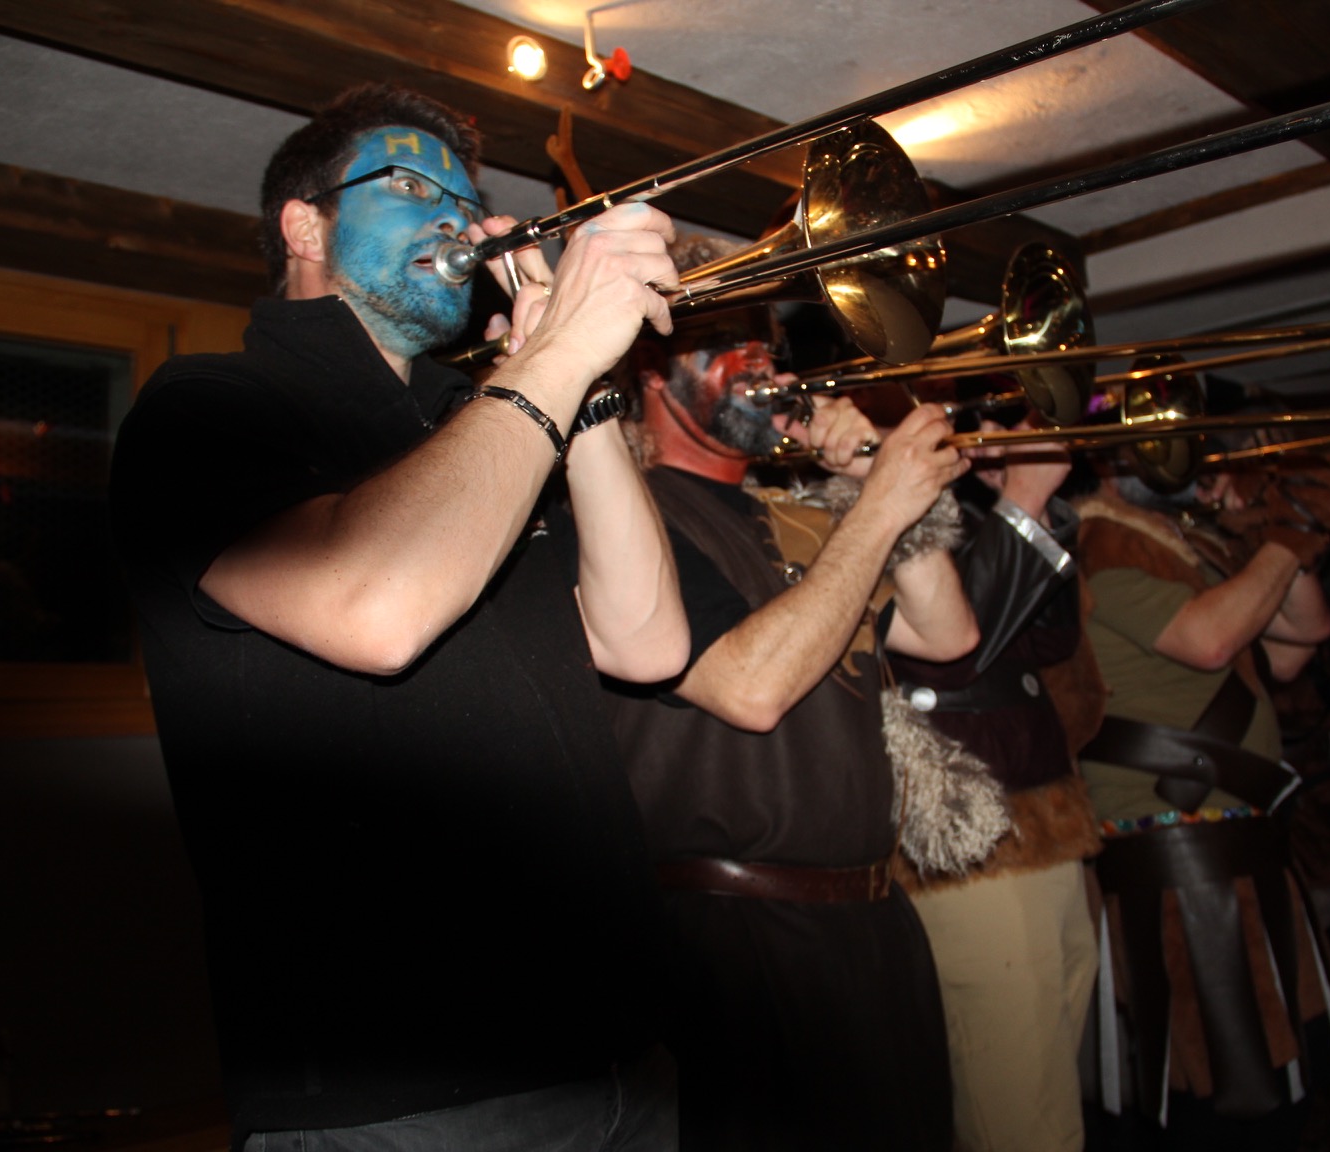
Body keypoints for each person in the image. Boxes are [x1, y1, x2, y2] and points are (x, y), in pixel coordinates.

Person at [109, 83, 690, 1151]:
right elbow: (377, 610)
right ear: (305, 226)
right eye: (414, 187)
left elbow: (645, 641)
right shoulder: (205, 408)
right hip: (402, 1091)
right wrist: (555, 359)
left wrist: (585, 389)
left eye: (465, 200)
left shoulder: (485, 416)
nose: (456, 218)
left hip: (620, 1051)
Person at [605, 282, 977, 1152]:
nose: (766, 369)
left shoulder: (798, 514)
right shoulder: (628, 516)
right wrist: (879, 508)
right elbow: (749, 689)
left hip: (869, 924)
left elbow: (947, 633)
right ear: (652, 370)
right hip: (731, 942)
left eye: (770, 351)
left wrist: (865, 487)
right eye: (731, 348)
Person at [1070, 457, 1330, 1150]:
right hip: (1179, 852)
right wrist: (1286, 538)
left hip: (1238, 846)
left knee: (1280, 1086)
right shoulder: (1098, 541)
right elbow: (1209, 641)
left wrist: (1276, 533)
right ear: (1107, 465)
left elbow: (1302, 636)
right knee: (1228, 1101)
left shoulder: (1184, 541)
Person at [887, 416, 1104, 1152]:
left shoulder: (959, 512)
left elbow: (1051, 637)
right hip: (966, 829)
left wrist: (1019, 505)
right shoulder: (855, 498)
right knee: (1022, 1111)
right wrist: (1021, 500)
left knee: (1041, 1077)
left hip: (1039, 815)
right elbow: (951, 648)